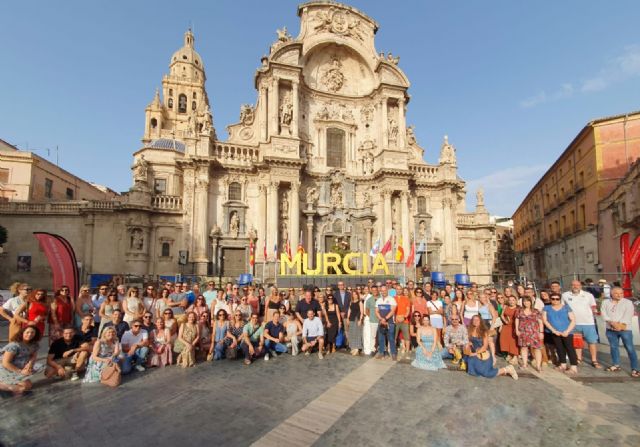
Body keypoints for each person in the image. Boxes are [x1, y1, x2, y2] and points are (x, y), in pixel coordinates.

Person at [562, 280, 600, 368]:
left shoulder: (588, 295)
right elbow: (563, 308)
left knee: (592, 342)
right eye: (573, 285)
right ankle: (579, 358)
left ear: (580, 286)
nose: (575, 286)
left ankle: (594, 360)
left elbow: (593, 306)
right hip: (573, 323)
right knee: (577, 343)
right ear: (570, 286)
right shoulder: (565, 295)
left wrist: (595, 315)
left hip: (588, 323)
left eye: (577, 285)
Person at [465, 315, 518, 380]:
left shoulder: (484, 331)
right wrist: (468, 344)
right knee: (473, 371)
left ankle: (507, 369)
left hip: (483, 354)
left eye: (477, 320)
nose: (475, 321)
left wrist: (492, 356)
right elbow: (468, 342)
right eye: (474, 320)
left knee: (487, 373)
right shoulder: (470, 330)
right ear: (472, 321)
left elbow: (485, 346)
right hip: (474, 354)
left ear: (480, 321)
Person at [601, 287, 639, 377]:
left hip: (625, 329)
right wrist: (611, 323)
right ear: (611, 294)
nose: (619, 295)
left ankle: (635, 369)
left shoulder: (628, 303)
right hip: (610, 328)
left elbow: (628, 314)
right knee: (614, 347)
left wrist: (619, 325)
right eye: (616, 293)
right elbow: (603, 314)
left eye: (621, 293)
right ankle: (616, 365)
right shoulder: (605, 302)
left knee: (630, 348)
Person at [543, 292, 578, 375]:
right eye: (553, 299)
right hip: (555, 332)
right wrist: (553, 330)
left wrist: (567, 331)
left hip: (566, 332)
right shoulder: (547, 308)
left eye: (557, 299)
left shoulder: (566, 307)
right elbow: (545, 320)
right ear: (550, 299)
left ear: (560, 299)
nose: (555, 300)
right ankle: (563, 364)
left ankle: (574, 366)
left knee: (570, 348)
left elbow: (573, 319)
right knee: (559, 348)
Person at [0, 326, 43, 394]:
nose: (29, 334)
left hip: (21, 367)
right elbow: (5, 363)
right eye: (27, 332)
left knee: (28, 385)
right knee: (24, 387)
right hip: (9, 368)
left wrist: (29, 365)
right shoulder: (14, 345)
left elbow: (33, 356)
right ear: (22, 333)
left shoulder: (34, 344)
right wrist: (20, 371)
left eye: (32, 332)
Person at [515, 296, 544, 372]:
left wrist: (541, 332)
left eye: (528, 301)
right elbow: (517, 320)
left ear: (531, 302)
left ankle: (538, 366)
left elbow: (540, 322)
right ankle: (525, 364)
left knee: (537, 349)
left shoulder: (536, 311)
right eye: (524, 301)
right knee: (524, 348)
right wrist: (517, 330)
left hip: (534, 332)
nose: (526, 303)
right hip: (523, 332)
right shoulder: (519, 310)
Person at [375, 286, 397, 360]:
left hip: (390, 322)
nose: (383, 292)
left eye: (385, 290)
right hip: (381, 322)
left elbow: (392, 311)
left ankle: (393, 354)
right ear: (380, 291)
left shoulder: (391, 299)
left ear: (387, 290)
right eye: (382, 290)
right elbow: (376, 311)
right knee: (381, 338)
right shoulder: (378, 300)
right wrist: (381, 319)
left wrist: (385, 318)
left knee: (391, 338)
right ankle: (381, 353)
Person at [499, 295, 519, 363]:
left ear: (516, 301)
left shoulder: (518, 308)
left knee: (513, 341)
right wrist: (505, 321)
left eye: (513, 300)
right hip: (506, 326)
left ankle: (515, 356)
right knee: (505, 340)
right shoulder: (505, 307)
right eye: (510, 300)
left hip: (514, 326)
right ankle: (509, 354)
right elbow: (502, 315)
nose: (511, 302)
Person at [394, 287, 411, 357]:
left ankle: (407, 350)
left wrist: (404, 317)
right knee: (394, 336)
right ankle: (393, 349)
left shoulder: (406, 299)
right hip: (395, 320)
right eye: (397, 289)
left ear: (402, 290)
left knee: (406, 336)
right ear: (395, 290)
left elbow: (408, 310)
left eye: (400, 289)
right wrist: (396, 317)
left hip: (404, 320)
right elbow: (391, 310)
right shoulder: (392, 298)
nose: (399, 290)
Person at [346, 291, 364, 356]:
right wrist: (347, 318)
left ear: (357, 295)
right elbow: (349, 310)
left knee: (357, 334)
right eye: (353, 294)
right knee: (352, 334)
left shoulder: (360, 302)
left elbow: (362, 312)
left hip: (357, 319)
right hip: (351, 319)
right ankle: (353, 347)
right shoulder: (351, 302)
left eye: (355, 294)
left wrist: (360, 320)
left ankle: (357, 348)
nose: (354, 295)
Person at [363, 285, 379, 356]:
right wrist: (371, 316)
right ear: (371, 291)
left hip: (381, 320)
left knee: (381, 335)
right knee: (373, 336)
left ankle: (381, 348)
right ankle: (373, 349)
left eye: (376, 290)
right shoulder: (369, 300)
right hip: (373, 320)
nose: (374, 291)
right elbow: (367, 311)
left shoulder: (381, 298)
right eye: (373, 290)